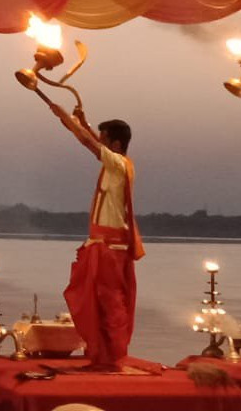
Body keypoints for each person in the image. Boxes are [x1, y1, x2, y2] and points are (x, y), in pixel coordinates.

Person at [47, 104, 144, 367]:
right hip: (102, 244)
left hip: (111, 248)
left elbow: (86, 143)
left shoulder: (119, 164)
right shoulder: (115, 164)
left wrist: (63, 116)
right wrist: (83, 121)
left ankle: (112, 356)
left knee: (110, 303)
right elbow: (91, 141)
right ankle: (100, 354)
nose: (98, 145)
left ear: (115, 143)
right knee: (93, 301)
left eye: (103, 139)